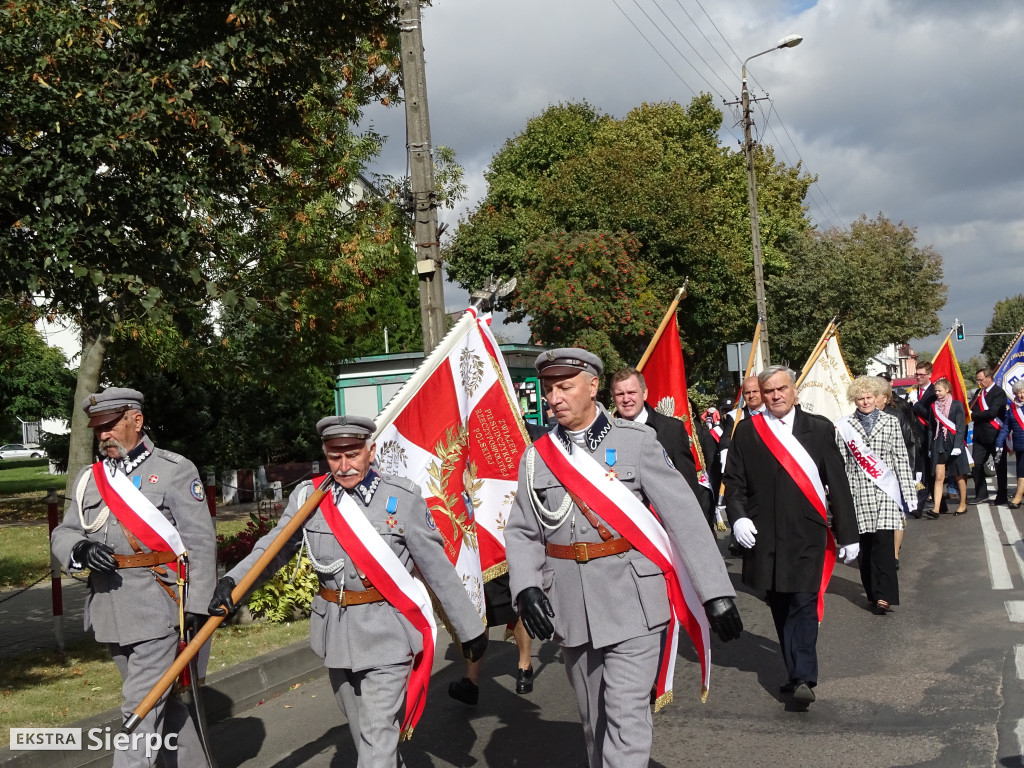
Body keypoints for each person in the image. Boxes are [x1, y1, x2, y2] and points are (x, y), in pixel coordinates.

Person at [505, 348, 742, 768]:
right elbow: (523, 530)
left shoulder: (636, 443)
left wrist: (716, 592)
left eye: (564, 387)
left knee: (626, 715)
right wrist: (525, 586)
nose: (554, 398)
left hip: (634, 602)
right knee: (594, 723)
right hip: (571, 606)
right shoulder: (536, 457)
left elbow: (684, 518)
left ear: (593, 386)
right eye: (549, 389)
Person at [208, 415, 487, 768]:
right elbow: (274, 549)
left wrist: (469, 629)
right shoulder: (310, 497)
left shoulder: (402, 499)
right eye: (334, 456)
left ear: (371, 452)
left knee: (377, 732)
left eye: (352, 454)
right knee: (367, 738)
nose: (344, 466)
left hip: (389, 632)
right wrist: (234, 582)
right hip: (336, 633)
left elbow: (437, 568)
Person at [50, 388, 215, 768]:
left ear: (135, 421)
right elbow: (65, 531)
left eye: (110, 426)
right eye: (98, 429)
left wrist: (197, 608)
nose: (104, 435)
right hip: (110, 609)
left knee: (138, 709)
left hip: (159, 610)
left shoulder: (174, 469)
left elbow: (200, 543)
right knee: (161, 703)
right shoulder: (90, 478)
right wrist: (80, 549)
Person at [724, 365, 857, 707]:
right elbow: (735, 483)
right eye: (769, 391)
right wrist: (737, 518)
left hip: (806, 534)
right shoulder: (748, 431)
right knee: (780, 604)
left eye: (782, 389)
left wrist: (849, 533)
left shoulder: (818, 428)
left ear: (794, 390)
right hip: (764, 537)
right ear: (761, 394)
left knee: (803, 602)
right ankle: (794, 669)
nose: (776, 396)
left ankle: (803, 677)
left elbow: (838, 484)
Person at [836, 377, 917, 614]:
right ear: (855, 399)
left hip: (885, 492)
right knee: (866, 548)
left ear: (876, 398)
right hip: (857, 492)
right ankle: (873, 592)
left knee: (884, 544)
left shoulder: (891, 422)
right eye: (860, 398)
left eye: (869, 397)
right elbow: (840, 463)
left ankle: (885, 595)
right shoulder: (844, 427)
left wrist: (908, 491)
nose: (865, 401)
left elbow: (901, 458)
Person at [608, 367, 708, 516]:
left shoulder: (672, 429)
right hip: (623, 522)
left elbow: (688, 485)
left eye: (631, 392)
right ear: (613, 397)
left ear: (645, 393)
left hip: (664, 521)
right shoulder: (606, 432)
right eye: (620, 394)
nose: (626, 399)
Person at [923, 377, 970, 518]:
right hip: (939, 444)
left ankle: (962, 504)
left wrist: (957, 445)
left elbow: (961, 427)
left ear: (947, 390)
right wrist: (931, 447)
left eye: (939, 390)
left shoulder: (956, 405)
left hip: (954, 443)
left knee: (959, 476)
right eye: (936, 391)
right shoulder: (933, 406)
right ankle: (936, 508)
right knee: (939, 477)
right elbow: (931, 428)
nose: (937, 393)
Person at [969, 367, 1009, 505]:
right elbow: (971, 406)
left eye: (980, 379)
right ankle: (981, 493)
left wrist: (973, 415)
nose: (978, 382)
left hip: (995, 435)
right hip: (980, 436)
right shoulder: (979, 392)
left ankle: (1002, 495)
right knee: (976, 464)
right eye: (977, 380)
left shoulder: (999, 393)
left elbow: (992, 413)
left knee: (1000, 466)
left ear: (989, 378)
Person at [910, 361, 938, 511]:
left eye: (921, 374)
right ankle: (940, 504)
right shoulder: (914, 390)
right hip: (916, 438)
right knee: (920, 472)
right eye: (917, 374)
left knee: (926, 473)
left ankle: (919, 506)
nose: (918, 377)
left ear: (929, 375)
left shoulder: (935, 392)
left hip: (929, 437)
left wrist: (915, 403)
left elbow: (930, 415)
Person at [995, 379, 1024, 509]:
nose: (1021, 395)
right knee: (1021, 471)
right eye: (1018, 393)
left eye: (1023, 392)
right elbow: (1007, 426)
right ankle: (1019, 495)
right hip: (1020, 444)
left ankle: (1018, 496)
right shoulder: (1012, 408)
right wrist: (999, 441)